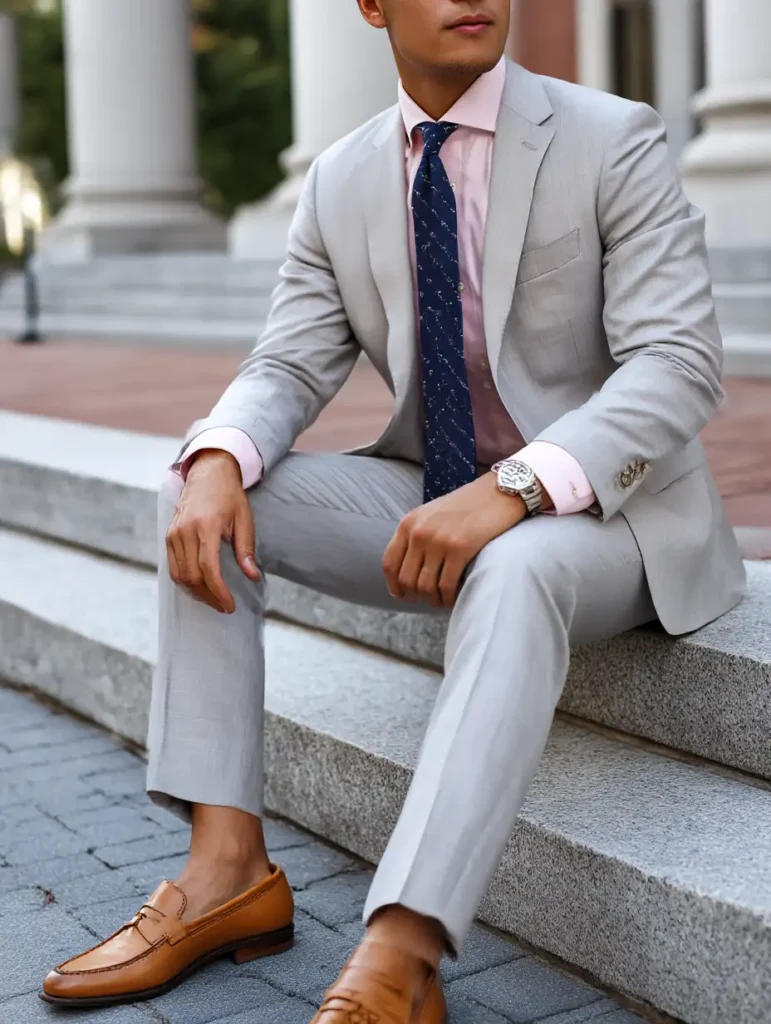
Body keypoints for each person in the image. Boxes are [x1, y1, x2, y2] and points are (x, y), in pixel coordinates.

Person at [41, 0, 746, 1020]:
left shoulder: (610, 135)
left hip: (618, 522)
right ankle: (226, 867)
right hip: (439, 499)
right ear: (369, 5)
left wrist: (515, 489)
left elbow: (679, 365)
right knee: (207, 491)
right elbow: (287, 362)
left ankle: (404, 951)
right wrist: (216, 455)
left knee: (517, 561)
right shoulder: (341, 178)